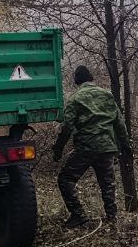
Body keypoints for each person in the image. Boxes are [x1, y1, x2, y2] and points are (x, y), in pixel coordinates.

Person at [53, 66, 128, 228]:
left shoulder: (75, 99)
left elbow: (67, 128)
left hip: (86, 148)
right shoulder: (107, 95)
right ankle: (112, 217)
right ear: (91, 78)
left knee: (65, 179)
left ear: (76, 81)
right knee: (107, 184)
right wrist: (126, 146)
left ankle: (79, 215)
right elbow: (119, 123)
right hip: (107, 147)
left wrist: (58, 149)